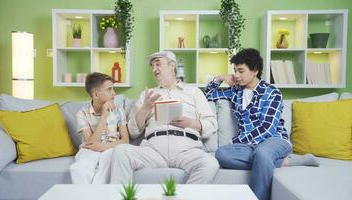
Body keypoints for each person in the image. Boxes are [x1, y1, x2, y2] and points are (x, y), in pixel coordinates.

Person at [204, 48, 319, 200]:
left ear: (255, 70)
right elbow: (208, 95)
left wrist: (236, 141)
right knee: (221, 154)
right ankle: (288, 162)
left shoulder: (272, 92)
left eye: (241, 71)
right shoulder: (235, 91)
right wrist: (220, 78)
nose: (236, 76)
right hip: (250, 145)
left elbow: (268, 128)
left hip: (274, 140)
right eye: (235, 71)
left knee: (262, 153)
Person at [110, 51, 219, 184]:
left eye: (158, 64)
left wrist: (191, 123)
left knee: (210, 163)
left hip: (187, 149)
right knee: (121, 151)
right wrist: (145, 108)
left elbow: (211, 123)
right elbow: (132, 131)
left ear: (172, 66)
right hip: (154, 150)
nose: (154, 69)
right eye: (152, 66)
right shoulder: (147, 94)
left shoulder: (194, 92)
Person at [70, 72, 129, 184]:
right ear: (96, 94)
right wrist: (103, 116)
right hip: (89, 150)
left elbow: (125, 140)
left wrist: (102, 146)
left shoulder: (118, 110)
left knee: (105, 167)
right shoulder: (82, 114)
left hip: (111, 148)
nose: (114, 93)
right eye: (109, 89)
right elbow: (91, 143)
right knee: (79, 169)